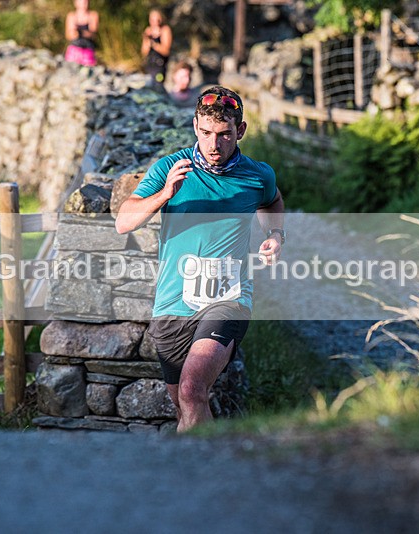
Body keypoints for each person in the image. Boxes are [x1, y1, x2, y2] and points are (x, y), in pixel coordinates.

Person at [116, 86, 285, 432]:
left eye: (224, 135)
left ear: (240, 131)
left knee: (192, 391)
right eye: (206, 133)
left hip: (228, 298)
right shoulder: (170, 168)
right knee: (184, 409)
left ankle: (205, 465)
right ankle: (207, 462)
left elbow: (272, 200)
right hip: (172, 302)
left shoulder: (257, 175)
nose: (213, 145)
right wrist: (165, 194)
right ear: (195, 126)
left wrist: (275, 234)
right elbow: (123, 222)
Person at [141, 8, 172, 85]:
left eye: (158, 20)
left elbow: (166, 51)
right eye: (153, 20)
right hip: (149, 65)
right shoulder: (148, 31)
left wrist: (154, 44)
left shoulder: (165, 30)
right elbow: (144, 52)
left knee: (158, 85)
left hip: (160, 66)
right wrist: (147, 41)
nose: (155, 22)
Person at [64, 0, 99, 67]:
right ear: (75, 3)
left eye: (85, 2)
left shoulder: (93, 15)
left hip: (88, 49)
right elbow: (68, 35)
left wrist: (80, 32)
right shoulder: (71, 16)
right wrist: (75, 33)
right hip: (74, 49)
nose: (83, 4)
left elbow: (93, 33)